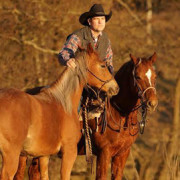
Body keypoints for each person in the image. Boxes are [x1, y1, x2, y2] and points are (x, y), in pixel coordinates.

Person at [58, 3, 114, 74]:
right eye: (96, 19)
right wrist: (68, 60)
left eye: (102, 19)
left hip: (98, 79)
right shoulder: (77, 36)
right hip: (78, 76)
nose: (100, 22)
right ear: (89, 21)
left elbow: (109, 62)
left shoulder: (106, 40)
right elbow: (65, 53)